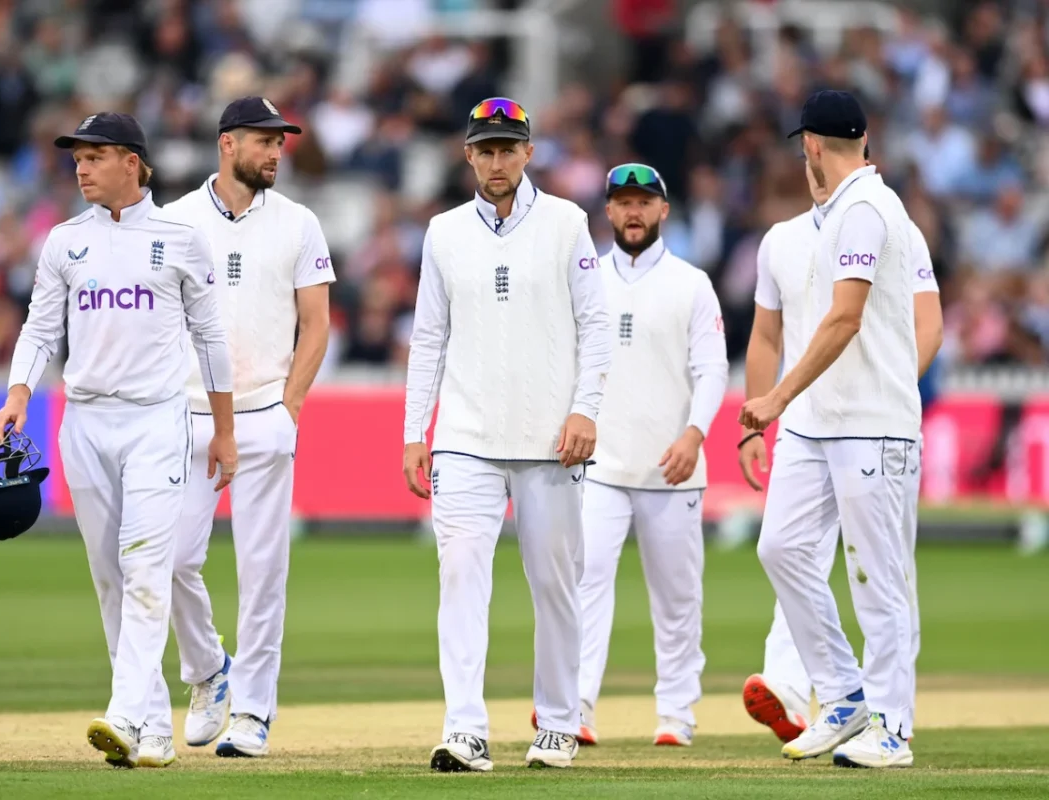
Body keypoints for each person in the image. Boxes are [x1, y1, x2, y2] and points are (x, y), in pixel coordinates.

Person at [0, 112, 237, 769]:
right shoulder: (64, 242)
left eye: (94, 156)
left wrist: (225, 430)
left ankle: (123, 713)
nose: (81, 167)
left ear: (133, 161)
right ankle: (151, 727)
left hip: (157, 420)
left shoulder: (179, 240)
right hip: (85, 422)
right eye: (76, 158)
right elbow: (41, 330)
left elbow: (211, 340)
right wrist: (18, 394)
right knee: (110, 578)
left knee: (145, 567)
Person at [402, 97, 611, 771]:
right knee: (460, 575)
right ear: (468, 155)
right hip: (465, 435)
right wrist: (415, 432)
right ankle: (464, 728)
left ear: (529, 152)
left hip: (551, 438)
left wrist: (585, 410)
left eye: (507, 149)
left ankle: (556, 722)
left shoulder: (565, 224)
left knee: (555, 582)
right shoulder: (443, 232)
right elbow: (428, 336)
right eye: (485, 150)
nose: (497, 161)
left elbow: (597, 327)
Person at [738, 144, 943, 747]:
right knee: (782, 549)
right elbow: (765, 337)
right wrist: (757, 422)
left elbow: (926, 324)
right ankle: (845, 695)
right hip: (807, 422)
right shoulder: (781, 239)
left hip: (872, 419)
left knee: (880, 574)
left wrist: (887, 387)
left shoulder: (889, 222)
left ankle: (890, 724)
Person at [530, 163, 728, 748]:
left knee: (677, 598)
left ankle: (677, 714)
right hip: (601, 467)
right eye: (622, 202)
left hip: (671, 467)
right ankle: (577, 707)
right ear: (608, 212)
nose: (633, 211)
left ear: (664, 210)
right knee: (584, 587)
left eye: (644, 201)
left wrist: (695, 434)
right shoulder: (585, 279)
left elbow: (712, 368)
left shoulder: (692, 284)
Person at [162, 96, 335, 758]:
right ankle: (208, 670)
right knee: (173, 559)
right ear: (227, 144)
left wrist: (290, 406)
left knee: (264, 571)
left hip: (265, 412)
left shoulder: (298, 223)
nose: (275, 152)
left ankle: (254, 714)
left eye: (280, 142)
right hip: (187, 412)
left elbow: (316, 322)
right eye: (264, 141)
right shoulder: (175, 222)